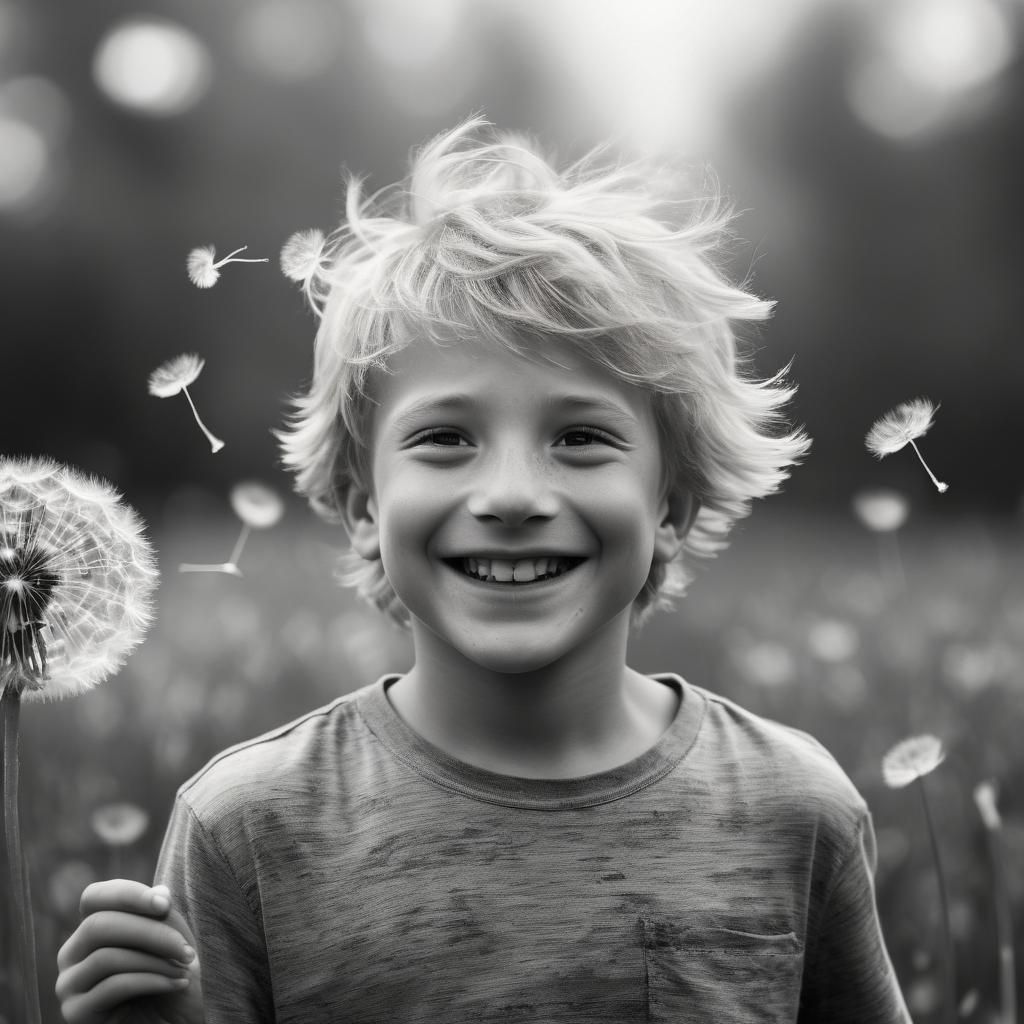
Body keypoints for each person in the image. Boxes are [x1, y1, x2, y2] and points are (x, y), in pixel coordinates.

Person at [55, 118, 911, 1023]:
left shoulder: (795, 810)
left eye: (580, 438)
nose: (509, 494)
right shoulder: (247, 830)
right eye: (445, 438)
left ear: (671, 507)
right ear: (362, 506)